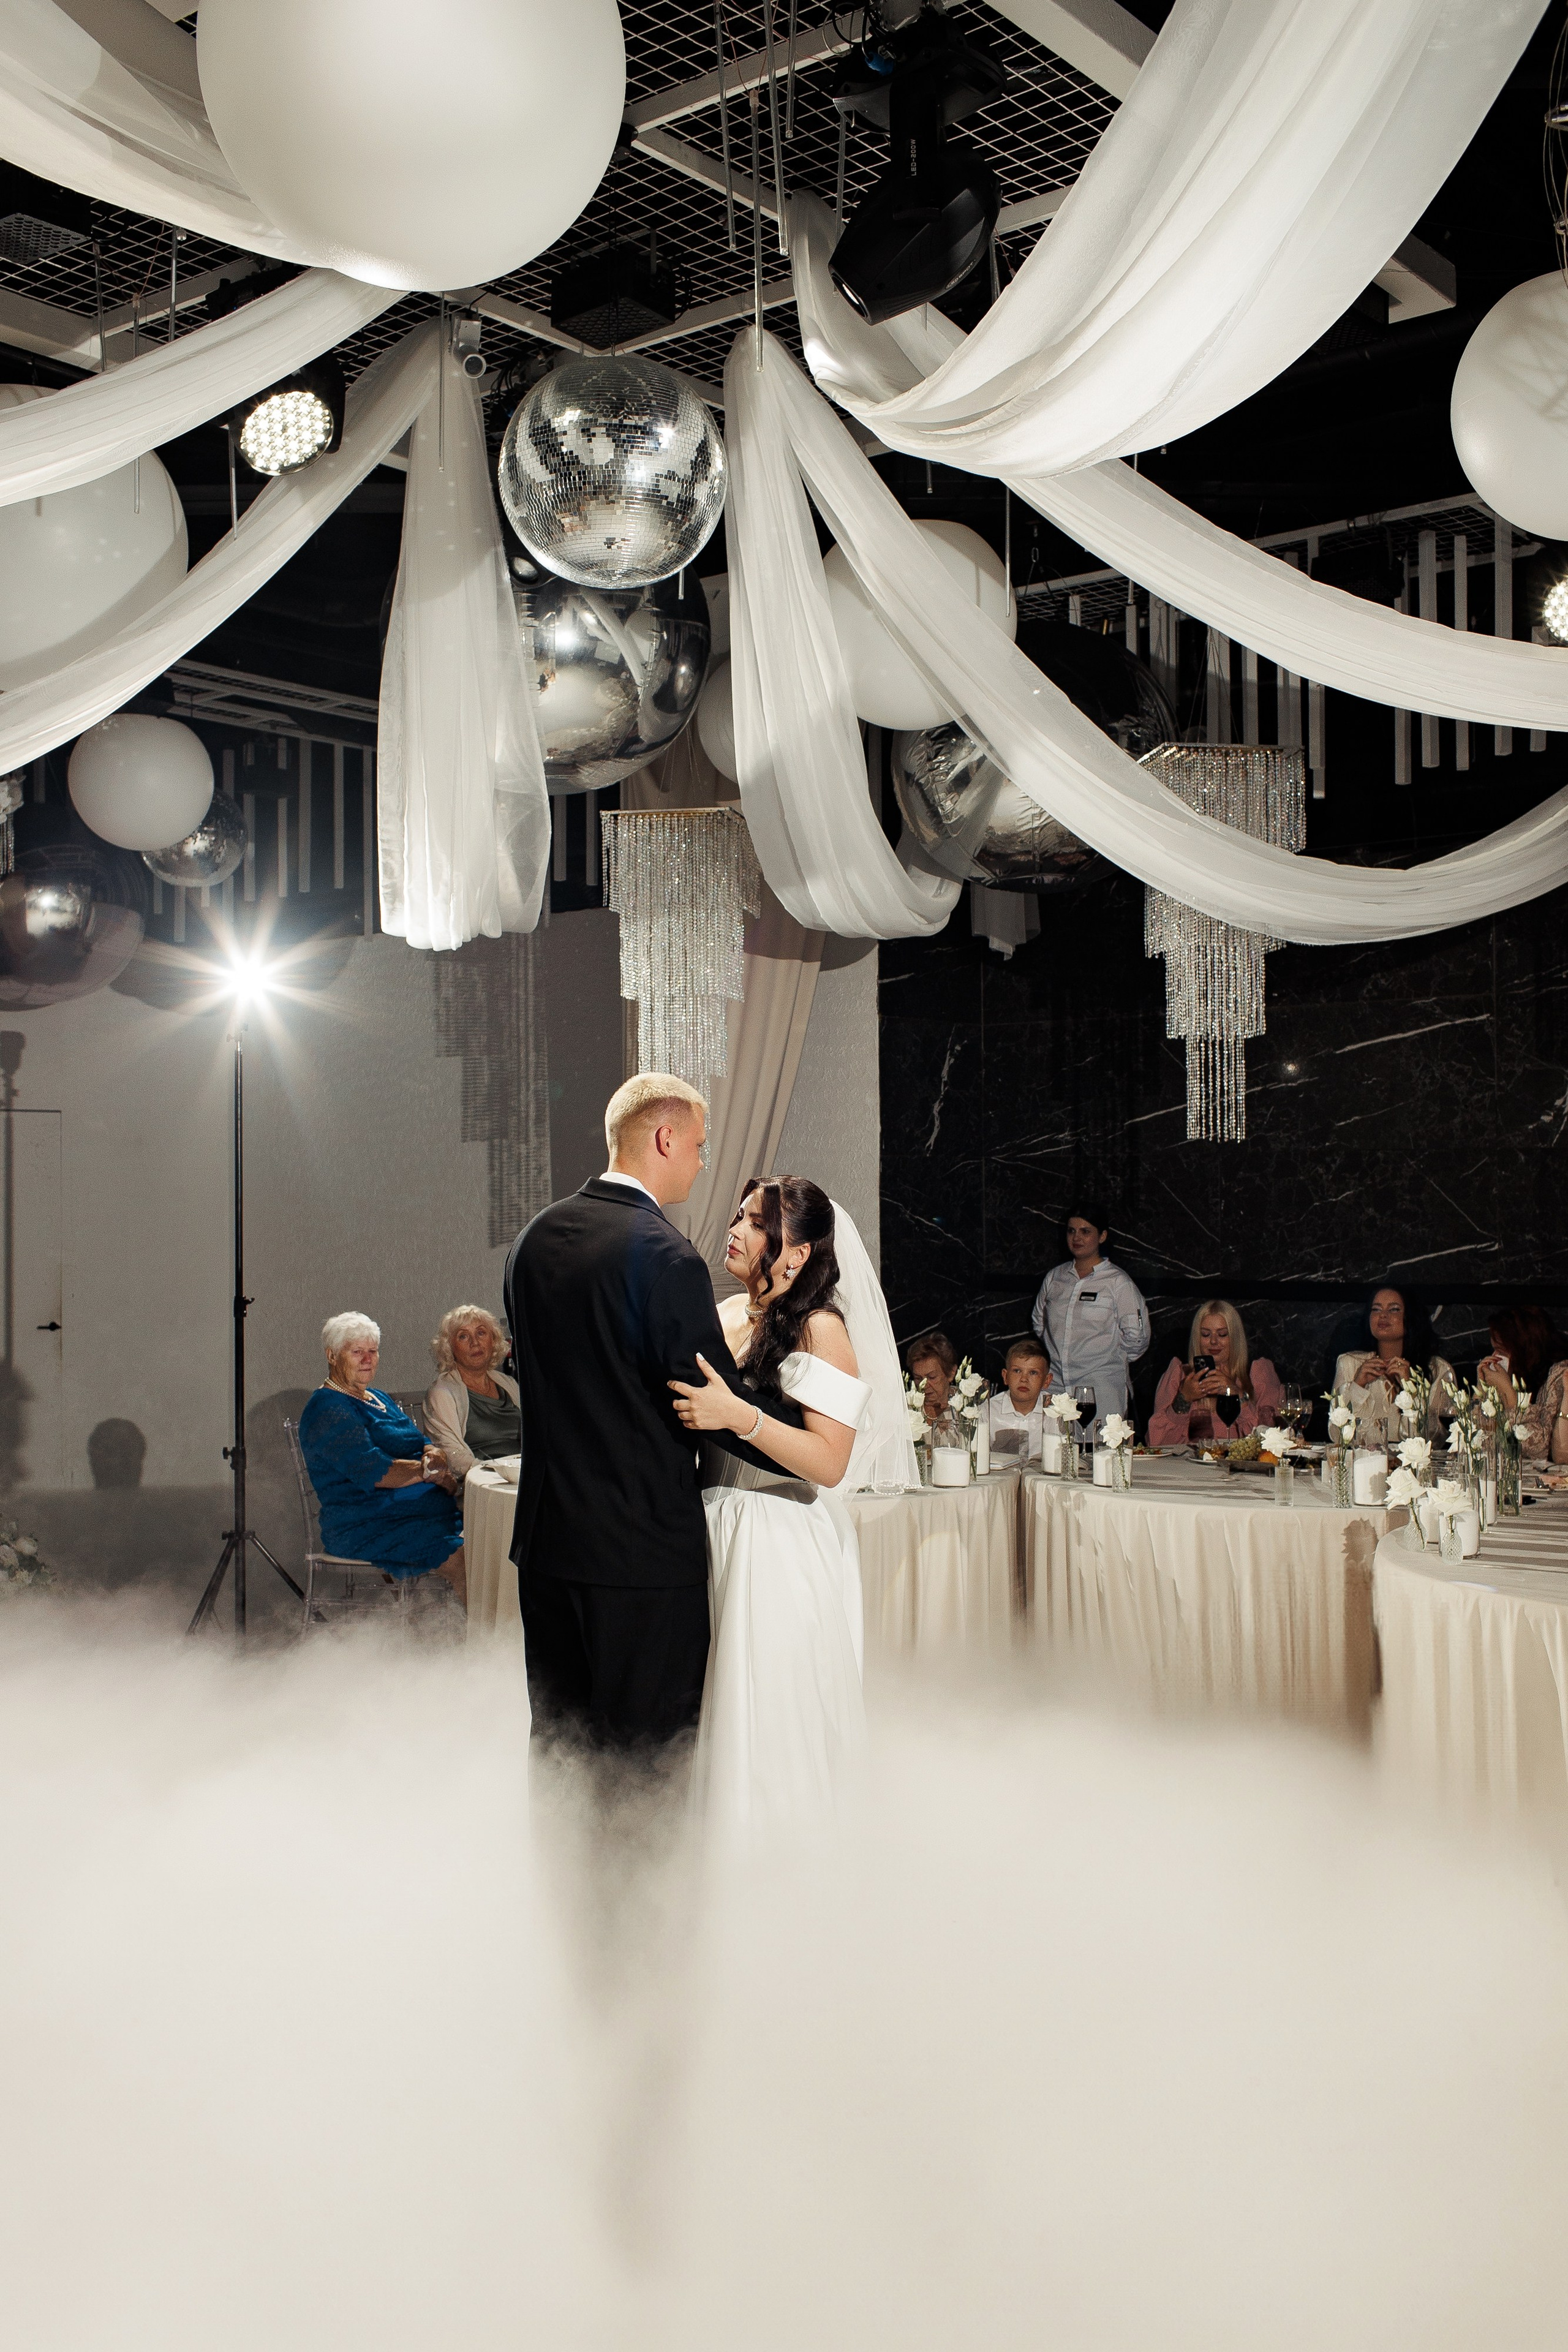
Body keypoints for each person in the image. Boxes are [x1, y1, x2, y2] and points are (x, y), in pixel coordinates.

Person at [503, 1074, 799, 1755]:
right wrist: (805, 1440)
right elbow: (709, 1401)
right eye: (697, 1145)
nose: (702, 1160)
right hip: (637, 1554)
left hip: (548, 1547)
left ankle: (558, 1867)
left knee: (560, 1748)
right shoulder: (665, 1257)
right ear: (664, 1138)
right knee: (646, 1760)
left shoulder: (532, 1241)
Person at [669, 1175, 915, 1837]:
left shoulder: (820, 1327)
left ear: (798, 1252)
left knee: (771, 1717)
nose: (734, 1230)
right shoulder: (725, 1316)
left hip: (776, 1536)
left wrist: (737, 1416)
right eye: (739, 1216)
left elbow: (830, 1460)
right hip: (715, 1527)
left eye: (753, 1222)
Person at [298, 1312, 466, 1604]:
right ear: (332, 1356)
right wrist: (430, 1472)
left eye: (373, 1351)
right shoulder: (328, 1408)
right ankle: (484, 1646)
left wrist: (434, 1453)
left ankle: (487, 1637)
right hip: (366, 1524)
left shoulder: (377, 1397)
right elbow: (374, 1470)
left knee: (494, 1543)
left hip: (413, 1513)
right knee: (470, 1564)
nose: (367, 1359)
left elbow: (419, 1441)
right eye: (357, 1352)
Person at [1031, 1200, 1150, 1431]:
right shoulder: (1055, 1278)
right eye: (1071, 1230)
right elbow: (1040, 1323)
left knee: (1098, 1458)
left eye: (1086, 1231)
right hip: (1055, 1387)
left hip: (1101, 1390)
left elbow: (1137, 1339)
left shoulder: (1118, 1282)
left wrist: (1109, 1357)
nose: (1077, 1238)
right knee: (1054, 1457)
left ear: (1102, 1236)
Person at [1332, 1283, 1455, 1448]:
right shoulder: (1349, 1363)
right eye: (1376, 1309)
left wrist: (1410, 1389)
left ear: (1410, 1317)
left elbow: (1434, 1440)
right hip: (1363, 1467)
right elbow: (1336, 1435)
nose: (1383, 1316)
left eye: (1394, 1309)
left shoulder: (1438, 1369)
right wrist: (1357, 1386)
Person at [1148, 1301, 1283, 1450]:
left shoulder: (1258, 1373)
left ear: (1235, 1338)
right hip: (1190, 1468)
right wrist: (1183, 1400)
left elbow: (1271, 1441)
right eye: (1206, 1335)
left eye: (1222, 1334)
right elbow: (1156, 1444)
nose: (1213, 1341)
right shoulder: (1179, 1374)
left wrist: (1238, 1396)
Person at [424, 1304, 521, 1477]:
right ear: (450, 1348)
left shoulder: (508, 1383)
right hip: (482, 1483)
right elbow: (454, 1458)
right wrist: (502, 1474)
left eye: (481, 1333)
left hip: (524, 1477)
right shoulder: (442, 1392)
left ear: (493, 1340)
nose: (475, 1343)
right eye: (463, 1336)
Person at [1476, 1308, 1568, 1464]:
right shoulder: (1519, 1374)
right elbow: (1479, 1441)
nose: (1495, 1357)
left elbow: (1543, 1449)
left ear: (1523, 1349)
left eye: (1501, 1350)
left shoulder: (1560, 1374)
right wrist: (1481, 1390)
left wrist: (1508, 1394)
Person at [987, 1337, 1053, 1460]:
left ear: (1047, 1381)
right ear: (1006, 1376)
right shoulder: (988, 1411)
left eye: (1033, 1373)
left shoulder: (1057, 1412)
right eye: (1017, 1371)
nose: (1024, 1379)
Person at [906, 1330, 957, 1423]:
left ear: (951, 1373)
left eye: (932, 1377)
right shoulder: (907, 1410)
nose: (925, 1385)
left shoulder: (965, 1405)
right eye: (918, 1378)